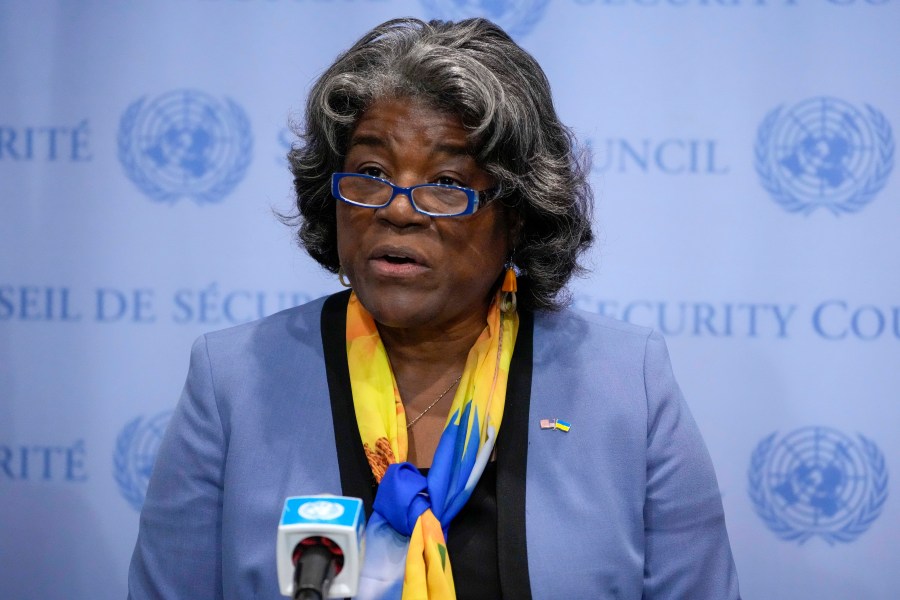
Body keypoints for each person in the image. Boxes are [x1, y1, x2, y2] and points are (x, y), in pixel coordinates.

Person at [128, 17, 740, 600]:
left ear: (519, 213)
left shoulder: (625, 384)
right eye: (370, 171)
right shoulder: (233, 380)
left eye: (446, 182)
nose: (397, 208)